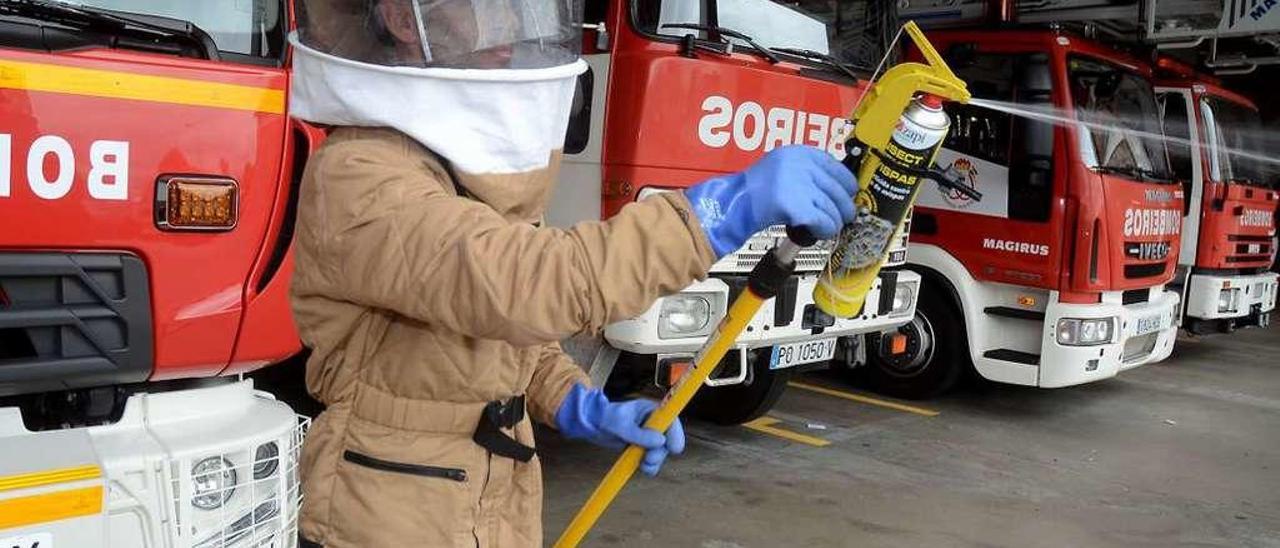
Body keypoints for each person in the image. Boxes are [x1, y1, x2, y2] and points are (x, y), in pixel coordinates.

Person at [287, 0, 857, 545]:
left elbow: (507, 343)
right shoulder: (360, 176)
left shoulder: (453, 162)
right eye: (482, 7)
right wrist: (716, 214)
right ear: (401, 18)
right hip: (385, 513)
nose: (507, 25)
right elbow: (524, 287)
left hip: (491, 498)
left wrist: (579, 404)